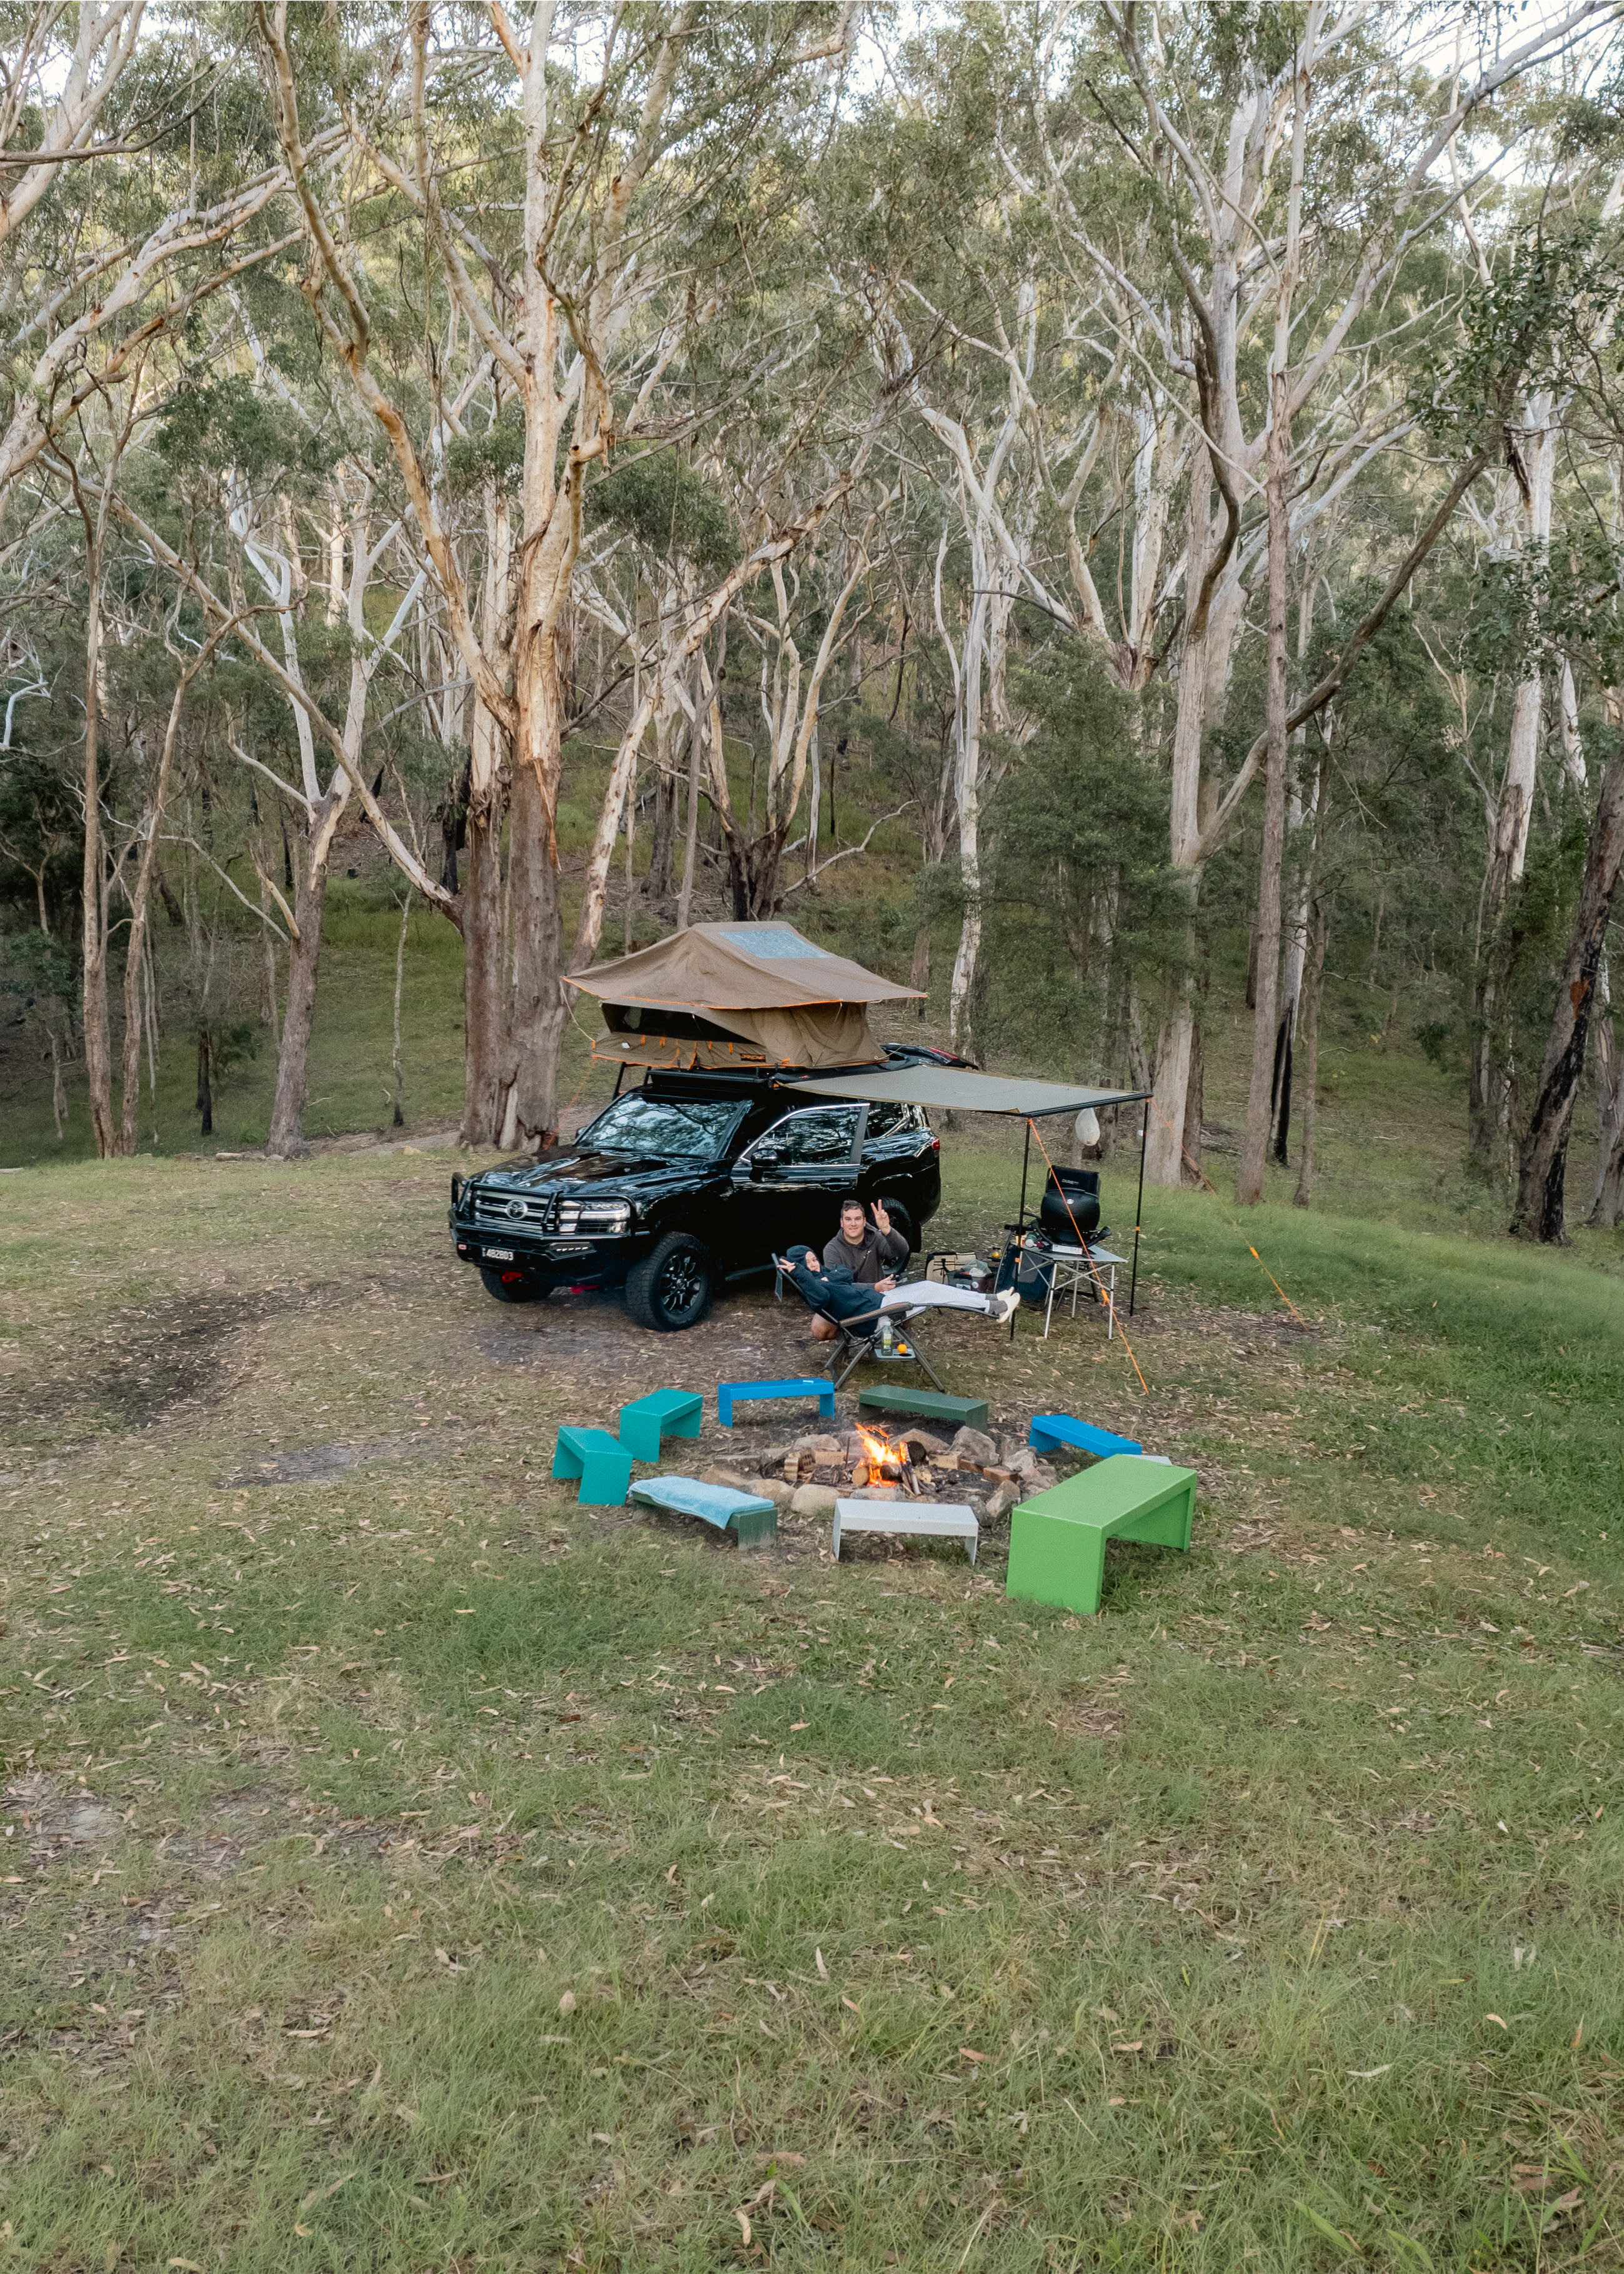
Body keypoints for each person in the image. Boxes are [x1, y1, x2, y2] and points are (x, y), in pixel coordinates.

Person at [777, 1242, 1019, 1331]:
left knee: (928, 1285)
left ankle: (992, 1300)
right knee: (932, 1292)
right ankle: (994, 1307)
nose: (815, 1264)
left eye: (814, 1258)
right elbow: (819, 1300)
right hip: (873, 1316)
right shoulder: (814, 1286)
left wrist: (826, 1277)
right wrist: (801, 1274)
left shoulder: (825, 1276)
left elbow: (845, 1274)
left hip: (881, 1302)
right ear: (801, 1268)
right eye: (808, 1263)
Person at [804, 1197, 910, 1340]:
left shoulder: (876, 1238)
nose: (853, 1224)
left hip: (875, 1300)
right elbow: (837, 1288)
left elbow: (901, 1251)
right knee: (820, 1330)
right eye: (848, 1219)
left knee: (908, 1310)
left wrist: (887, 1230)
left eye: (857, 1219)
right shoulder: (832, 1249)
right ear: (842, 1223)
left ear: (864, 1221)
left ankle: (887, 1336)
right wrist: (875, 1287)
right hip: (845, 1302)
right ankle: (847, 1339)